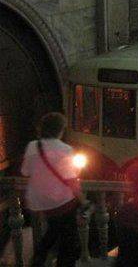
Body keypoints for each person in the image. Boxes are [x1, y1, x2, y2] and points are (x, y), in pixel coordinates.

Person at [21, 112, 84, 267]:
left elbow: (25, 172)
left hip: (39, 200)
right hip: (61, 201)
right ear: (61, 130)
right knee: (69, 238)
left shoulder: (32, 146)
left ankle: (38, 259)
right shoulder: (66, 149)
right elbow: (71, 180)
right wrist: (83, 200)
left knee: (54, 230)